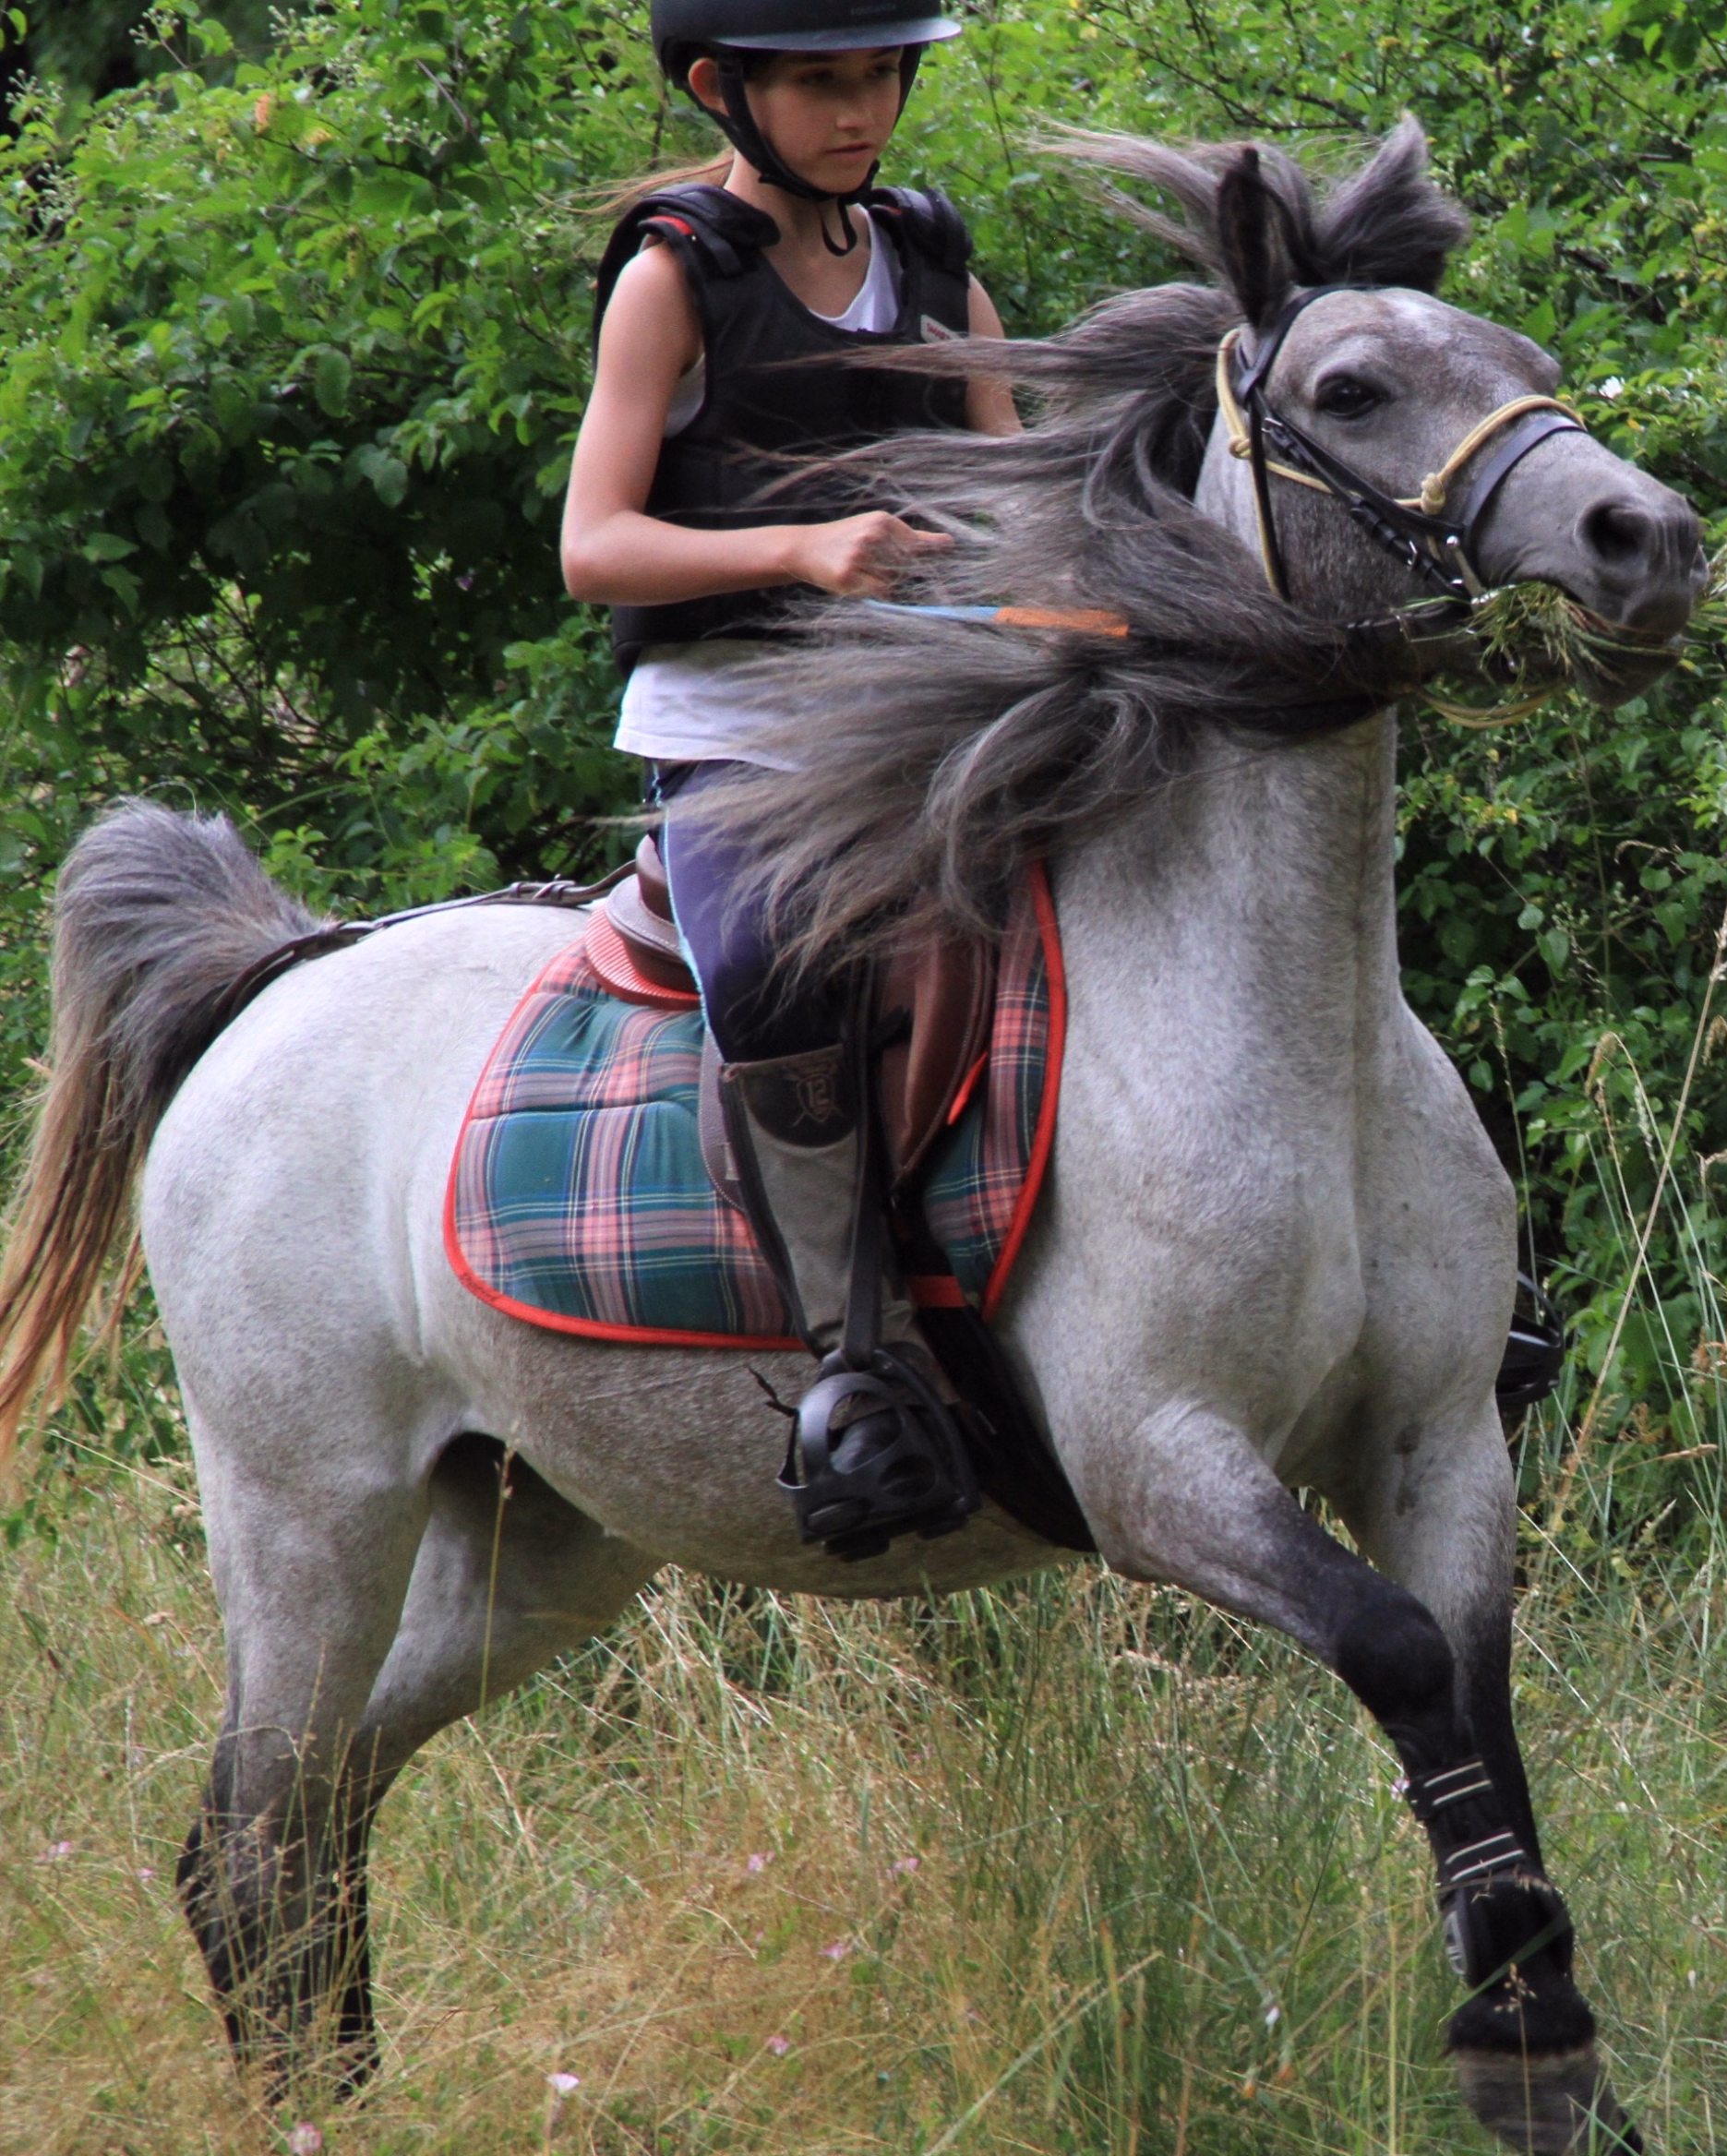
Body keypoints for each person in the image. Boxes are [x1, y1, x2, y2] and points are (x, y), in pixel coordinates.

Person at [559, 0, 1018, 1561]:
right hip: (739, 722)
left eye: (883, 73)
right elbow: (593, 545)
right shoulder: (672, 277)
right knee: (765, 964)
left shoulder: (939, 263)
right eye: (825, 79)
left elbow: (1010, 480)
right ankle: (857, 1365)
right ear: (720, 87)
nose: (863, 108)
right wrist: (806, 551)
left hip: (936, 705)